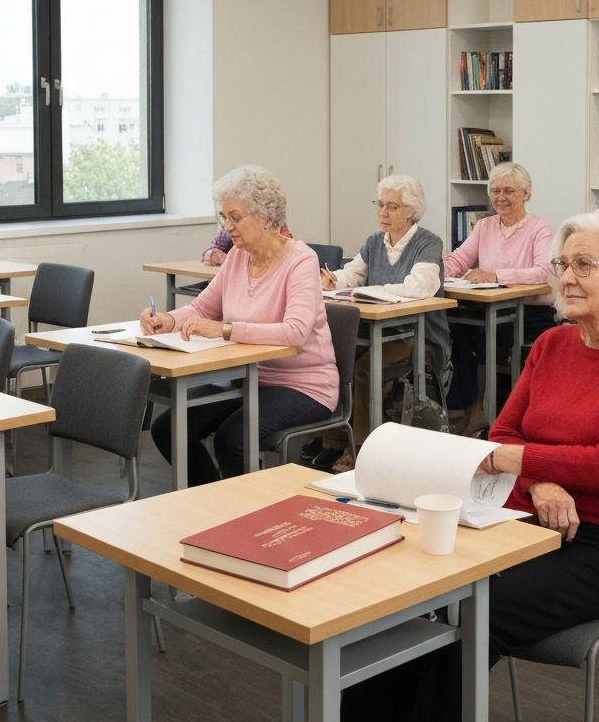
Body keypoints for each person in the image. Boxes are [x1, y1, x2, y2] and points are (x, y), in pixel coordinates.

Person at [339, 209, 599, 722]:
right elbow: (505, 429)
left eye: (583, 264)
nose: (566, 277)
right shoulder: (553, 345)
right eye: (561, 264)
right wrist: (542, 477)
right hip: (525, 517)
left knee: (474, 612)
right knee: (413, 585)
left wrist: (511, 460)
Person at [143, 165, 337, 484]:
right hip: (248, 378)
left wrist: (225, 329)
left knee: (232, 438)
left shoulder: (301, 261)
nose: (228, 227)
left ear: (264, 216)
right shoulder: (237, 257)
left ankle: (246, 517)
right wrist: (167, 321)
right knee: (167, 428)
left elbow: (295, 332)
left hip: (304, 384)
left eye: (235, 217)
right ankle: (213, 500)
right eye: (224, 217)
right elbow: (202, 307)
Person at [318, 174, 450, 472]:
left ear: (410, 211)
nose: (383, 213)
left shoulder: (428, 242)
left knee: (364, 371)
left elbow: (421, 286)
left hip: (418, 335)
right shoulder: (375, 241)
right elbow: (354, 273)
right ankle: (334, 441)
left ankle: (362, 448)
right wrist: (335, 279)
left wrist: (371, 291)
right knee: (333, 359)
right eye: (380, 205)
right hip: (377, 331)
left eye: (392, 207)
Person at [442, 162, 554, 434]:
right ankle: (461, 410)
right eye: (495, 191)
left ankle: (479, 412)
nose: (500, 198)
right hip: (488, 309)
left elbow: (544, 273)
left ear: (527, 194)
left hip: (530, 313)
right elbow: (459, 259)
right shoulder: (485, 226)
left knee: (479, 340)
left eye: (509, 191)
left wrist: (495, 275)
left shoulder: (539, 228)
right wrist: (433, 268)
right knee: (451, 331)